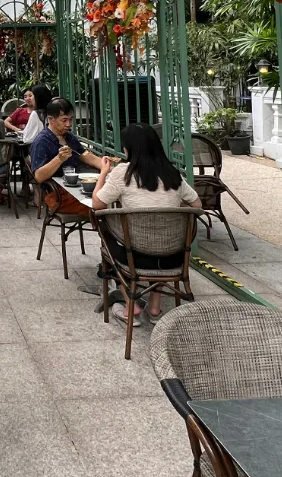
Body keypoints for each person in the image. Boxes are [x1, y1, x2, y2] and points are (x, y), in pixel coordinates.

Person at [91, 124, 201, 324]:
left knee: (106, 234)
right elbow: (197, 205)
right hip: (173, 257)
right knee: (158, 240)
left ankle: (130, 307)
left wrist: (103, 172)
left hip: (135, 258)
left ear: (129, 149)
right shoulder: (173, 174)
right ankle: (155, 306)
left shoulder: (123, 173)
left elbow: (97, 204)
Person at [30, 96, 105, 185]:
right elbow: (38, 177)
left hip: (77, 183)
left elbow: (86, 156)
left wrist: (108, 166)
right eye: (64, 120)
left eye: (71, 120)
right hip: (58, 191)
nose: (68, 124)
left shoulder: (69, 137)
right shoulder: (41, 141)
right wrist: (59, 159)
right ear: (51, 119)